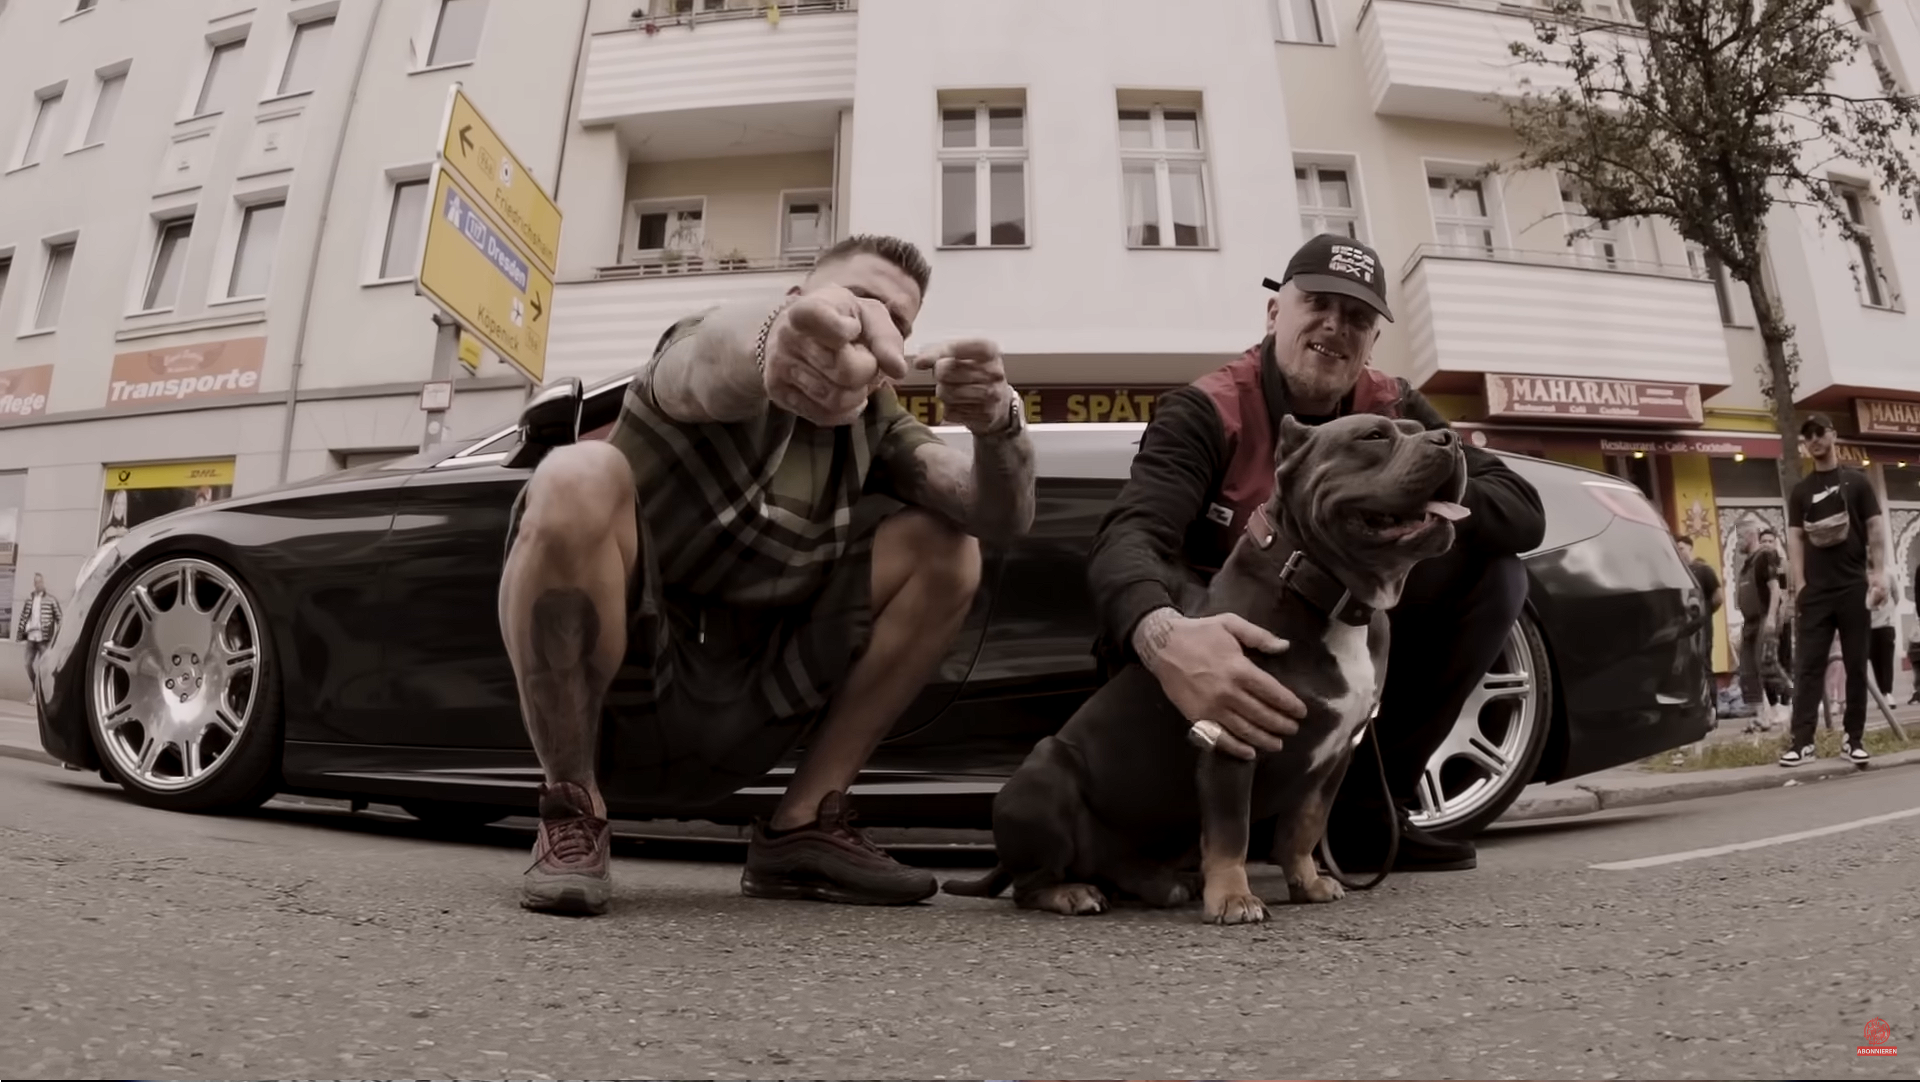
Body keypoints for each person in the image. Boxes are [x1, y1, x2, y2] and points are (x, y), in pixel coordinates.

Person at [498, 234, 1037, 915]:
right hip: (620, 692)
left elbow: (997, 514)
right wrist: (774, 343)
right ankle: (571, 807)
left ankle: (803, 827)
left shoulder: (879, 425)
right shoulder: (713, 343)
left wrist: (1000, 424)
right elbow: (702, 363)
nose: (874, 324)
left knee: (949, 546)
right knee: (576, 473)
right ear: (796, 298)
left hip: (755, 701)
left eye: (897, 323)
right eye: (858, 300)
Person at [1086, 233, 1546, 873]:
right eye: (1319, 305)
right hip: (1226, 642)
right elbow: (1130, 537)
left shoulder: (1393, 404)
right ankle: (1183, 824)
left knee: (1495, 575)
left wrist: (1406, 498)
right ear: (1276, 312)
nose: (1336, 326)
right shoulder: (1208, 409)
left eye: (1357, 316)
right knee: (1154, 604)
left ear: (1372, 341)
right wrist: (1164, 635)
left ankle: (1366, 812)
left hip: (1335, 637)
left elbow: (1523, 509)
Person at [1781, 413, 1884, 767]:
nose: (1813, 439)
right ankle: (1802, 743)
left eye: (1819, 432)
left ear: (1833, 436)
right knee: (1808, 667)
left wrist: (1878, 573)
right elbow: (1795, 538)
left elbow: (1875, 528)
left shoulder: (1858, 482)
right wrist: (1800, 584)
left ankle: (1853, 740)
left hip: (1853, 587)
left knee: (1856, 665)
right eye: (1807, 435)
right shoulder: (1801, 491)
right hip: (1816, 593)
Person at [1733, 521, 1790, 732]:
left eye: (1740, 537)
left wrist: (1772, 618)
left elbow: (1775, 589)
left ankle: (1794, 698)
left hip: (1764, 618)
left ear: (1750, 535)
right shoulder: (1746, 564)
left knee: (1768, 667)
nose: (1738, 543)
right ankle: (1761, 717)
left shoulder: (1765, 556)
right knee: (1747, 672)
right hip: (1749, 624)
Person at [15, 573, 61, 689]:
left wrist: (57, 638)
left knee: (44, 667)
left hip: (44, 639)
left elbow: (59, 619)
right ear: (34, 584)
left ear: (43, 583)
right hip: (31, 638)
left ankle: (41, 690)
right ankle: (35, 686)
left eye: (40, 582)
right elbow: (24, 617)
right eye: (36, 582)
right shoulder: (29, 600)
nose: (39, 584)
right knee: (27, 664)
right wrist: (20, 634)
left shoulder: (51, 600)